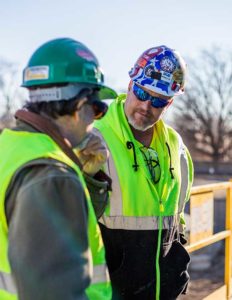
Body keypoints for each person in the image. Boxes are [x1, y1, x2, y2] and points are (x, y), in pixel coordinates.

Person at [0, 38, 117, 300]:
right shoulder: (51, 176)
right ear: (78, 106)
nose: (95, 121)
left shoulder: (10, 147)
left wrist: (88, 177)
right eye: (97, 109)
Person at [94, 45, 194, 300]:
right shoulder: (94, 140)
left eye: (158, 100)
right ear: (130, 85)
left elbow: (177, 219)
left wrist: (176, 269)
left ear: (169, 103)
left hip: (163, 291)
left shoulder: (176, 147)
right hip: (111, 292)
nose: (146, 106)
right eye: (141, 92)